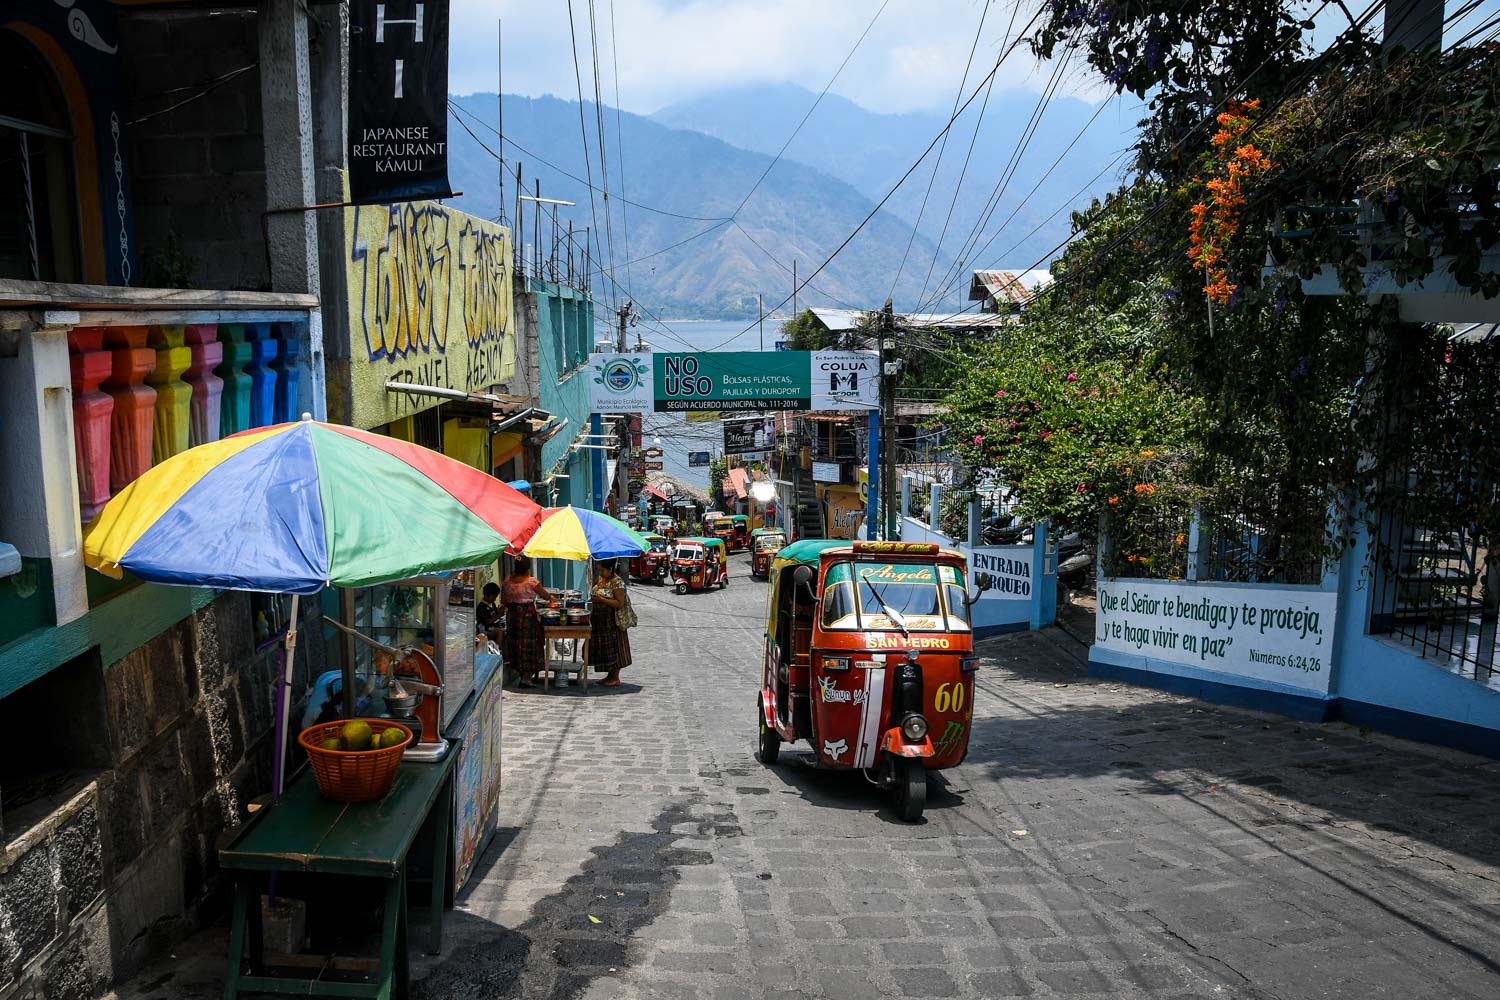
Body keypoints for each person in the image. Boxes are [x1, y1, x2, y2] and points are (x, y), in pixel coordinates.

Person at [503, 557, 553, 688]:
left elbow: (503, 601)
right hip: (527, 618)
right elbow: (546, 596)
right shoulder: (532, 582)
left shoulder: (507, 582)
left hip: (512, 617)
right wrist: (553, 599)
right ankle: (526, 677)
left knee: (516, 644)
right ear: (528, 568)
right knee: (529, 646)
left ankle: (521, 674)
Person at [588, 560, 632, 687]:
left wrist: (601, 599)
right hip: (601, 621)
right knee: (607, 649)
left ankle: (615, 677)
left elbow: (619, 603)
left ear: (611, 569)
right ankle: (609, 676)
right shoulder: (602, 580)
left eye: (602, 570)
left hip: (614, 621)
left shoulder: (617, 583)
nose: (600, 573)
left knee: (617, 648)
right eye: (599, 570)